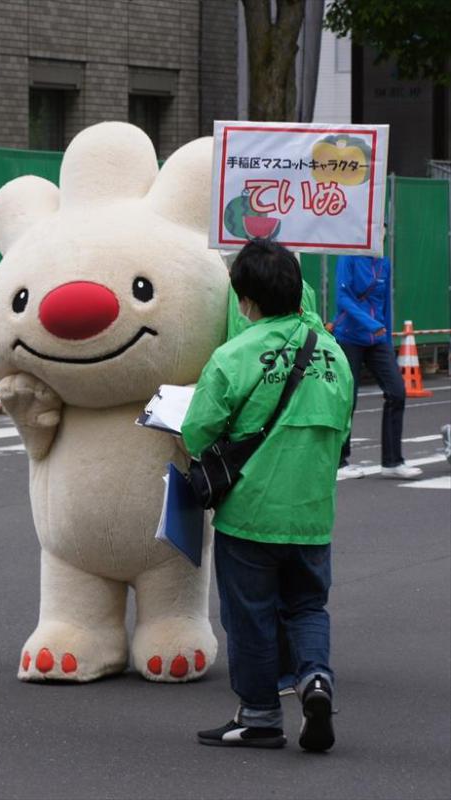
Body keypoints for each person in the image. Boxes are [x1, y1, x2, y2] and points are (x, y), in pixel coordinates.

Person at [181, 239, 353, 751]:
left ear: (245, 300)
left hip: (250, 514)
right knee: (307, 606)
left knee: (250, 615)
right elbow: (341, 430)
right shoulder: (333, 353)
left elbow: (195, 432)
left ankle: (259, 716)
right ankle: (315, 679)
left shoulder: (233, 356)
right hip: (311, 513)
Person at [329, 251, 422, 480]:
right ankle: (339, 463)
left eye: (384, 229)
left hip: (377, 339)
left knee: (397, 392)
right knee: (347, 399)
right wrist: (369, 323)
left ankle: (392, 463)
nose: (381, 234)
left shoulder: (384, 264)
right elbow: (343, 298)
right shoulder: (348, 257)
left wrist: (388, 340)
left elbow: (385, 305)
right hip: (349, 336)